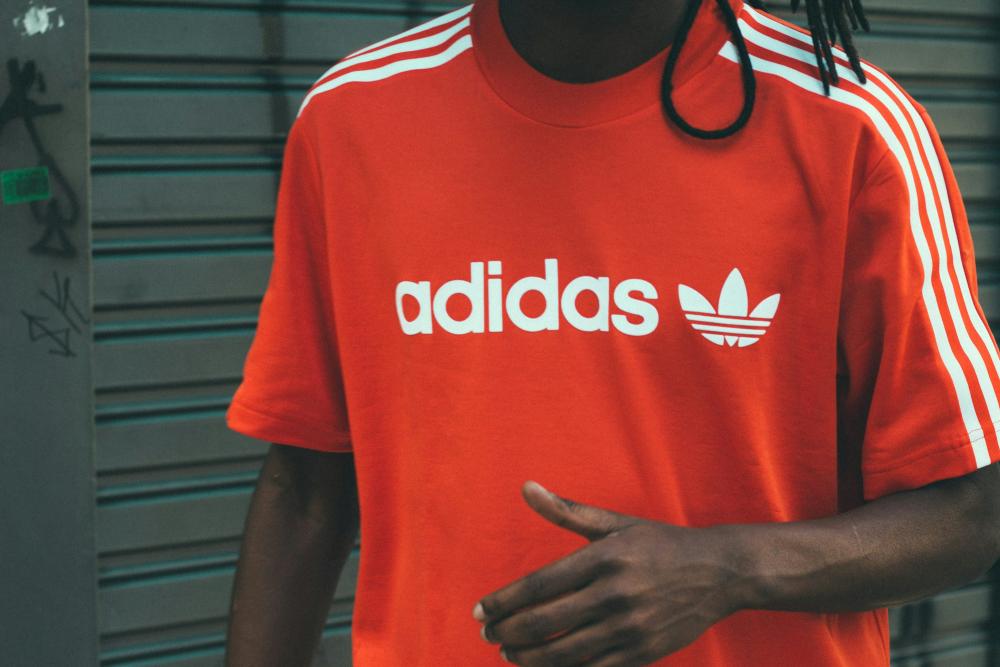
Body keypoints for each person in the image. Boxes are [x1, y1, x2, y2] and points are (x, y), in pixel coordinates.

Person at [222, 0, 1000, 664]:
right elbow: (304, 491)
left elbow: (973, 509)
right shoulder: (354, 117)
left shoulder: (852, 127)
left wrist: (730, 567)